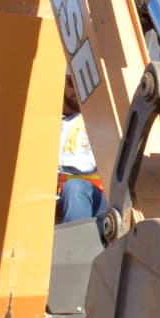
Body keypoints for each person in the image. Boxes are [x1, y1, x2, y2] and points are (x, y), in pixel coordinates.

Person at [57, 75, 105, 223]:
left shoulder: (97, 119)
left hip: (97, 198)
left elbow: (92, 161)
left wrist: (53, 161)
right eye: (72, 82)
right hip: (61, 199)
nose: (77, 89)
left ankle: (73, 238)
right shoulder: (50, 123)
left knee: (74, 188)